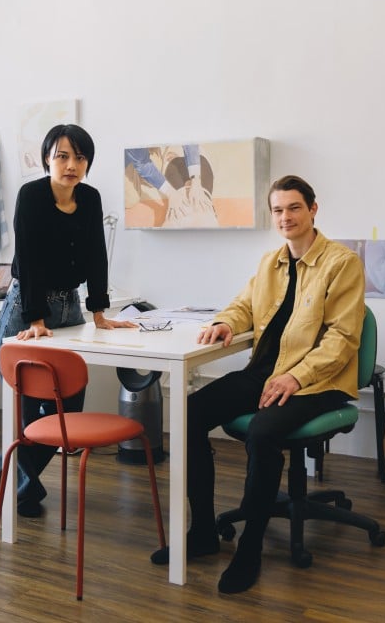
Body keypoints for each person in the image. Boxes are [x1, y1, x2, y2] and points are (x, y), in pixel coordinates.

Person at [150, 175, 365, 594]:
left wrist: (296, 376)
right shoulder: (271, 263)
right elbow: (244, 305)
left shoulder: (342, 263)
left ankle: (250, 547)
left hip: (318, 381)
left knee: (263, 432)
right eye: (278, 210)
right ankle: (203, 532)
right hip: (266, 372)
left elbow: (342, 339)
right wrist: (225, 323)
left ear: (313, 209)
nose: (286, 217)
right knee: (189, 413)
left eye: (294, 208)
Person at [0, 123, 136, 517]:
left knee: (67, 406)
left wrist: (100, 312)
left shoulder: (90, 198)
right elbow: (29, 259)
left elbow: (96, 254)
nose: (72, 165)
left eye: (80, 157)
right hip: (27, 305)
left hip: (70, 306)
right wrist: (36, 318)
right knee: (28, 410)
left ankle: (6, 469)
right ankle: (22, 487)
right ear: (47, 159)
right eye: (63, 156)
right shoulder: (31, 196)